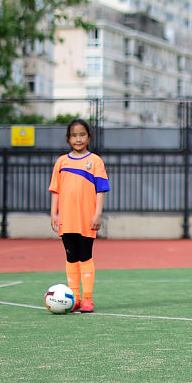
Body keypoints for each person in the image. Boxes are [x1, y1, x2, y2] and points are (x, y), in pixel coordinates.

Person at [49, 119, 109, 313]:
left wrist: (97, 214)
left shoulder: (96, 161)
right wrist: (54, 214)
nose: (78, 139)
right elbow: (55, 190)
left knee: (85, 257)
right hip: (67, 220)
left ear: (89, 137)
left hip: (86, 219)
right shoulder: (61, 162)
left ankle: (87, 299)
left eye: (82, 134)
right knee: (71, 258)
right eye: (74, 135)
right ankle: (74, 298)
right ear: (68, 138)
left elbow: (101, 190)